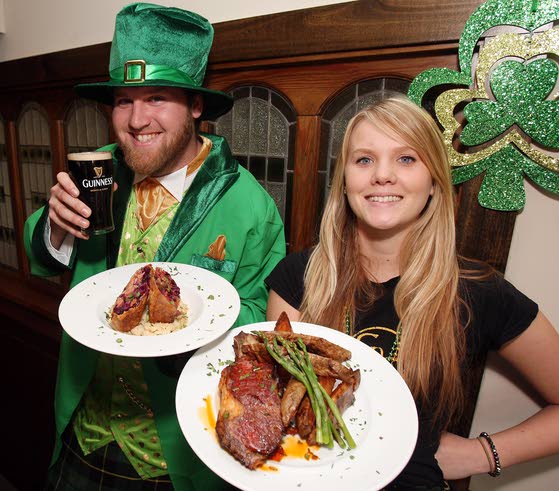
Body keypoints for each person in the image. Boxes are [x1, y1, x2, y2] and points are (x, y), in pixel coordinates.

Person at [24, 3, 285, 490]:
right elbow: (38, 247)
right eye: (124, 100)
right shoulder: (96, 168)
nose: (136, 120)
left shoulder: (249, 203)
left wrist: (188, 334)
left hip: (176, 448)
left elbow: (260, 316)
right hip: (85, 427)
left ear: (195, 106)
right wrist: (56, 226)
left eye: (158, 98)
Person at [266, 96, 559, 489]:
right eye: (364, 159)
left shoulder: (477, 292)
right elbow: (272, 401)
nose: (382, 175)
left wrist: (480, 454)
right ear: (345, 182)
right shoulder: (296, 277)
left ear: (434, 182)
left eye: (406, 159)